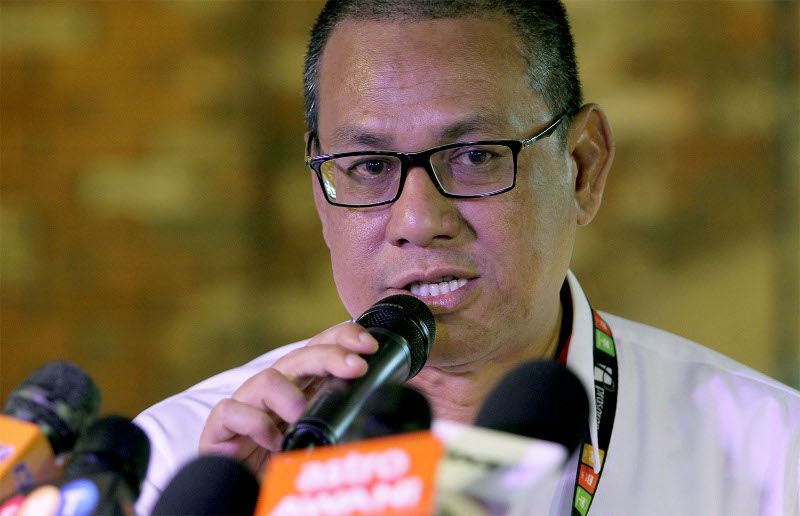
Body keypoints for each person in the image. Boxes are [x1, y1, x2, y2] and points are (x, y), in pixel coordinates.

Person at [133, 1, 800, 514]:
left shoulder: (773, 455)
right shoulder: (182, 466)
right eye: (367, 166)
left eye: (476, 156)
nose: (420, 221)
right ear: (320, 192)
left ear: (584, 168)